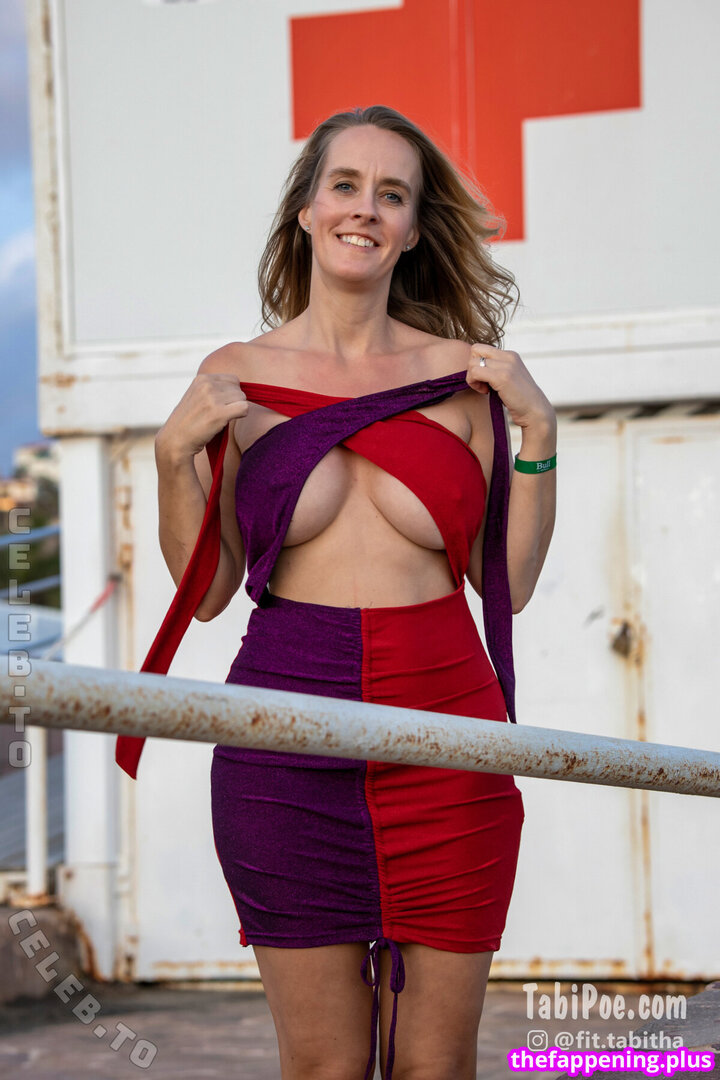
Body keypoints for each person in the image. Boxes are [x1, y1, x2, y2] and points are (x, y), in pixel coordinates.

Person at [116, 105, 557, 1080]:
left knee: (436, 1065)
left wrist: (540, 436)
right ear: (307, 209)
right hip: (285, 736)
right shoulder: (237, 377)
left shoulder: (465, 379)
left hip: (449, 735)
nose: (365, 209)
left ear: (414, 227)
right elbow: (208, 593)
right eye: (345, 185)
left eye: (392, 194)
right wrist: (170, 458)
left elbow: (512, 584)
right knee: (323, 1067)